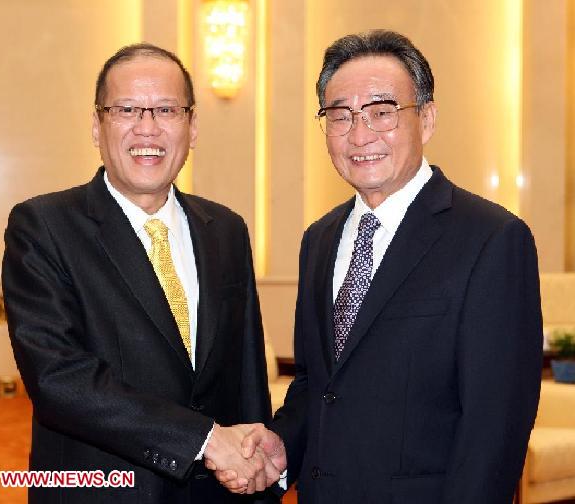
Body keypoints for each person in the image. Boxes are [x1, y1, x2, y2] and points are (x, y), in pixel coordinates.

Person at [215, 29, 543, 503]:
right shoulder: (320, 239)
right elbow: (317, 384)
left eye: (382, 112)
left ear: (426, 119)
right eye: (340, 115)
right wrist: (283, 442)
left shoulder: (491, 239)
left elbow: (495, 428)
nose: (360, 134)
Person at [2, 43, 277, 503]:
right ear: (97, 125)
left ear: (192, 127)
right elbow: (58, 378)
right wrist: (204, 439)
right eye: (127, 109)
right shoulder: (45, 226)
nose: (147, 128)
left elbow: (246, 375)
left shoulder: (225, 229)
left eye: (167, 109)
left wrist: (259, 476)